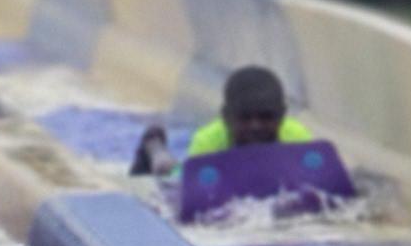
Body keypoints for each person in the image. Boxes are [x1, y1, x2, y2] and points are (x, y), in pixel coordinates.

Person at [133, 64, 315, 175]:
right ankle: (155, 149)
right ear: (226, 117)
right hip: (206, 169)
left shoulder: (297, 139)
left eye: (266, 117)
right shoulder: (207, 142)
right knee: (174, 175)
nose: (256, 126)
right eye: (245, 118)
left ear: (282, 115)